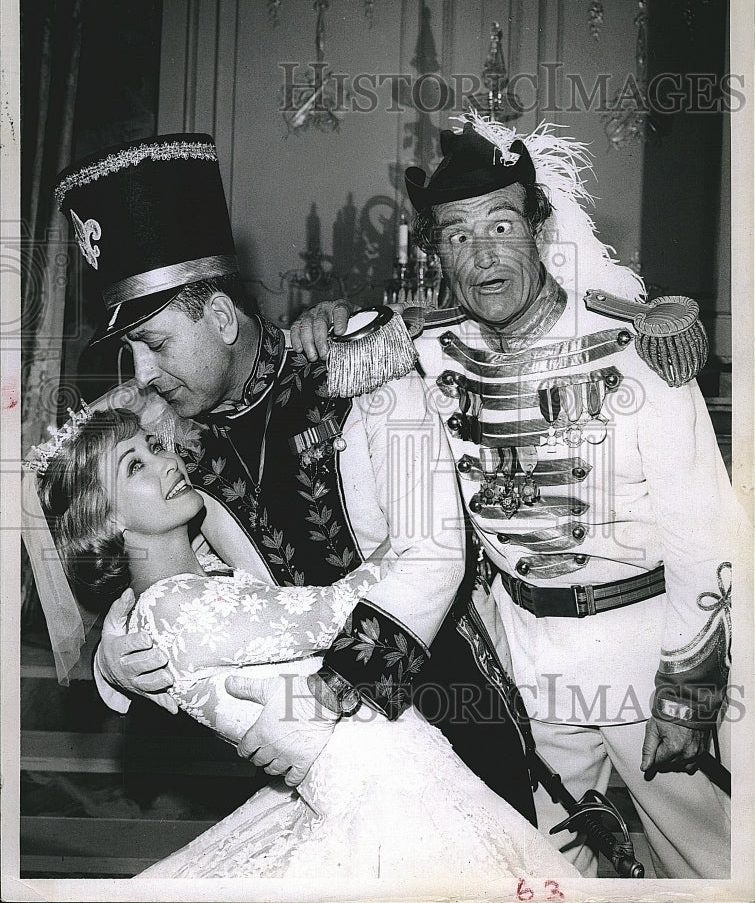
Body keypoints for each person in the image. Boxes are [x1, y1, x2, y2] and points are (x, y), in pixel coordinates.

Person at [290, 111, 740, 879]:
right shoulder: (421, 347)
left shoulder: (636, 346)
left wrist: (688, 688)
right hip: (517, 652)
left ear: (538, 227)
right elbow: (329, 363)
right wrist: (323, 321)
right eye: (457, 235)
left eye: (500, 225)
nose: (482, 254)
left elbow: (707, 530)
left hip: (640, 645)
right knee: (551, 854)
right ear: (435, 252)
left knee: (705, 852)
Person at [51, 132, 536, 820]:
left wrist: (335, 692)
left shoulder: (354, 364)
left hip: (439, 689)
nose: (142, 376)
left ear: (219, 317)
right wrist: (115, 658)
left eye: (153, 344)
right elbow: (139, 555)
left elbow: (431, 551)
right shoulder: (159, 436)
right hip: (313, 756)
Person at [22, 403, 578, 882]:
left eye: (153, 446)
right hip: (389, 792)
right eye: (135, 464)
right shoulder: (175, 607)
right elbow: (338, 610)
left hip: (390, 771)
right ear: (107, 518)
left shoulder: (184, 590)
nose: (168, 460)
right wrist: (430, 527)